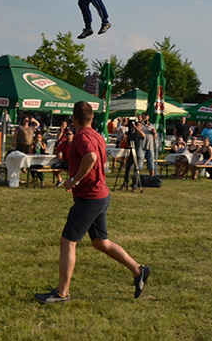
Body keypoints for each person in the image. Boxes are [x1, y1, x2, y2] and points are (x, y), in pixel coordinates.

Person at [34, 100, 149, 304]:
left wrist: (74, 180)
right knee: (100, 242)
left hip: (89, 198)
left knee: (68, 242)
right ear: (92, 118)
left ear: (74, 118)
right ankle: (138, 270)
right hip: (101, 195)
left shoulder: (81, 137)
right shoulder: (97, 135)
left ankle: (62, 293)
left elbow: (92, 157)